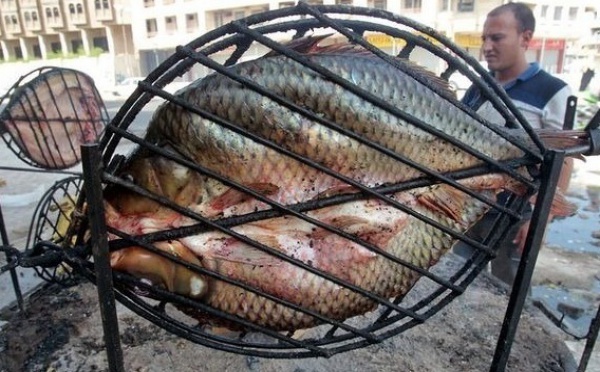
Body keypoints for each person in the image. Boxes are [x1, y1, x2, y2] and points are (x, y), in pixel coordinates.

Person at [453, 2, 574, 287]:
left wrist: (541, 221)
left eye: (497, 37)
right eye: (484, 38)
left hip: (517, 216)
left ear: (525, 38)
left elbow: (563, 160)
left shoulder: (552, 91)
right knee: (456, 281)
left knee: (509, 293)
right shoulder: (478, 86)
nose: (487, 46)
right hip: (470, 209)